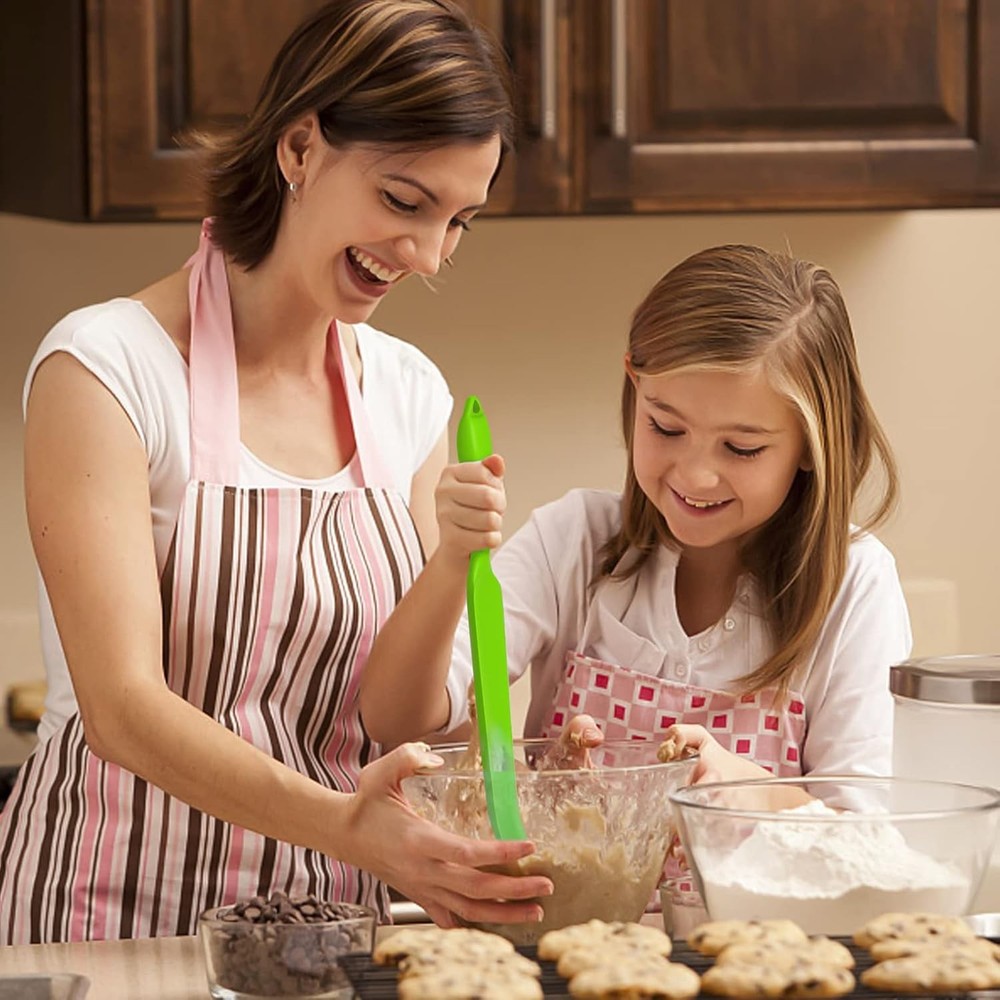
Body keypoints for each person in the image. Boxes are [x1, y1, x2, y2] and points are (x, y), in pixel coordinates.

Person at [0, 0, 555, 945]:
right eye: (403, 201)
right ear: (300, 149)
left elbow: (397, 714)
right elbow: (122, 710)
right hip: (116, 918)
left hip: (331, 922)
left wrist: (455, 573)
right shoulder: (106, 368)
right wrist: (348, 824)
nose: (426, 256)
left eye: (460, 220)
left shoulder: (408, 394)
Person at [362, 244, 913, 790]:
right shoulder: (573, 541)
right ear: (635, 387)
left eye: (742, 449)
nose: (696, 475)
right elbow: (394, 717)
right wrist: (454, 560)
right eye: (666, 428)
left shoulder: (854, 585)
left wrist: (747, 796)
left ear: (813, 446)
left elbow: (860, 835)